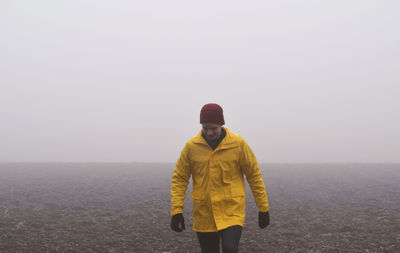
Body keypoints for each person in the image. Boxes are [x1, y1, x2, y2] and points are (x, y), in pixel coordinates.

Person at [170, 103, 270, 253]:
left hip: (232, 211)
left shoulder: (238, 144)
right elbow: (179, 178)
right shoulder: (192, 147)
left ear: (221, 125)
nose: (209, 133)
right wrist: (176, 210)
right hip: (204, 214)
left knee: (230, 248)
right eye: (205, 128)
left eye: (213, 128)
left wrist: (263, 208)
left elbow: (254, 176)